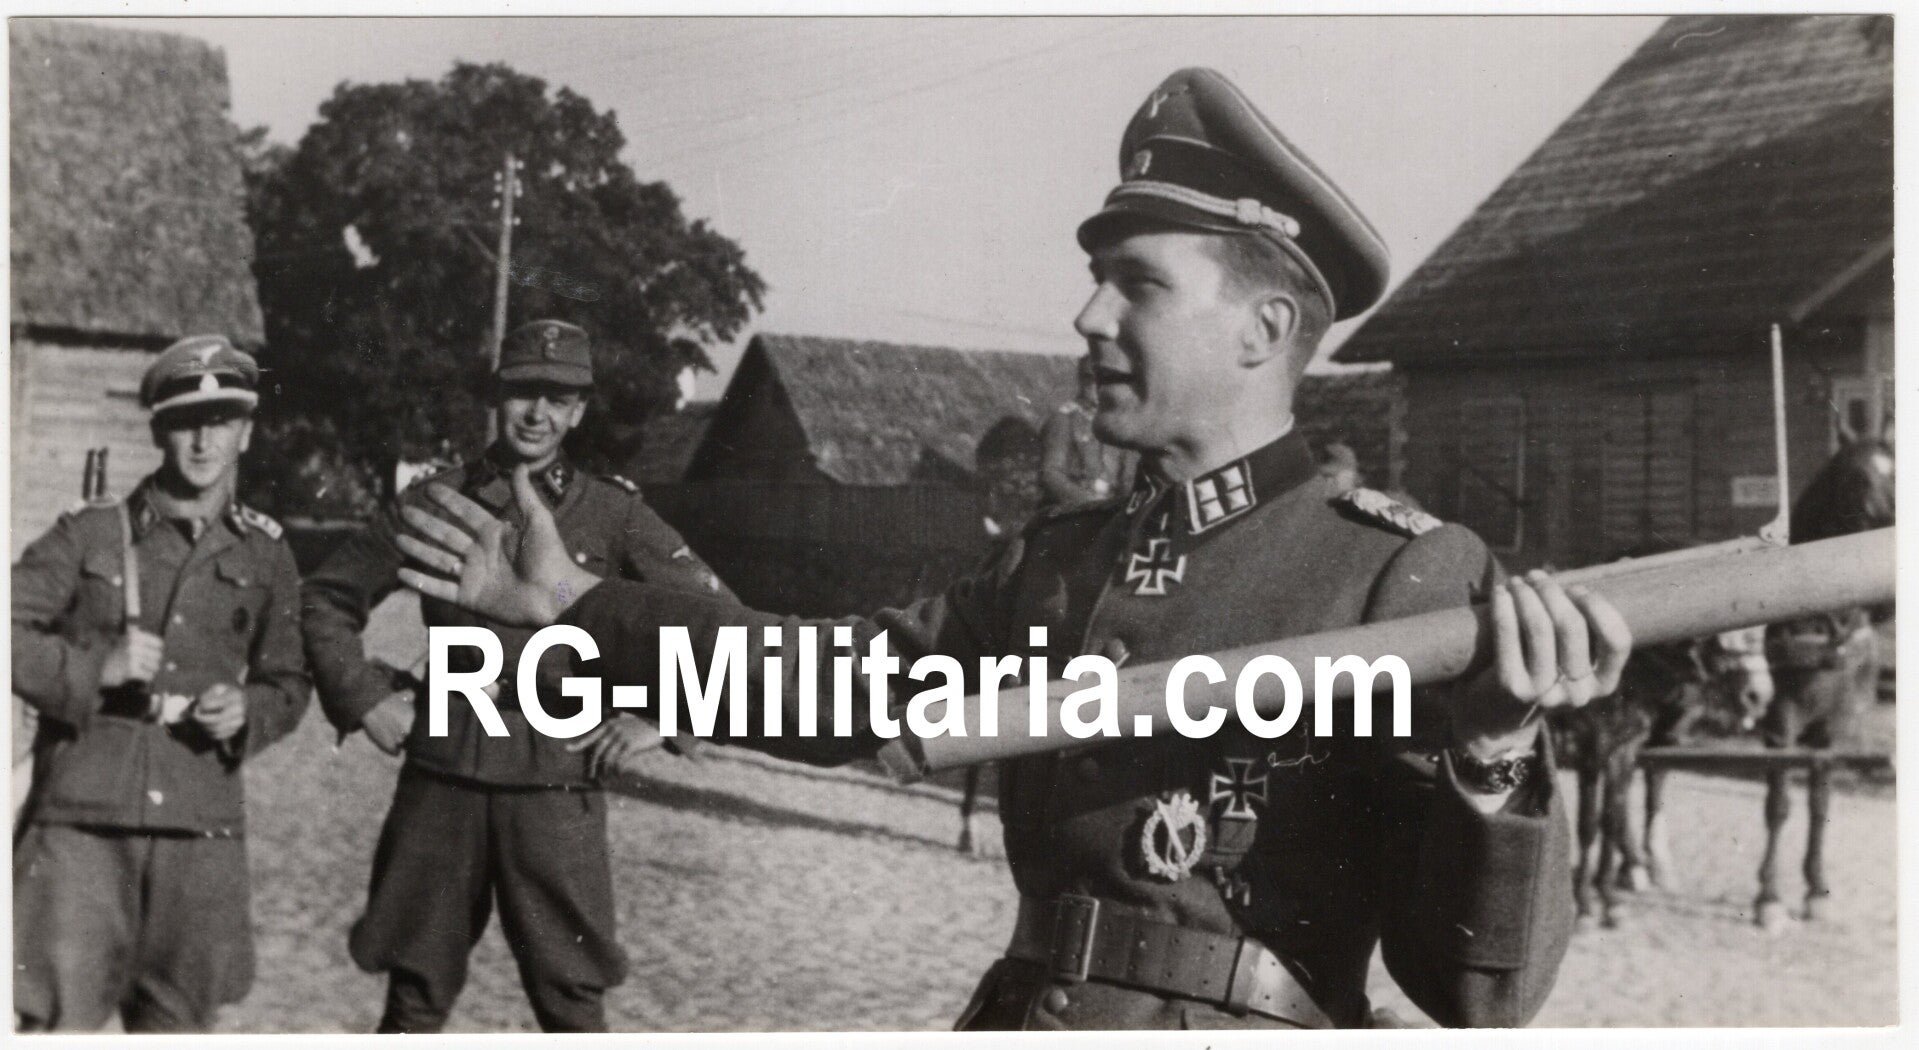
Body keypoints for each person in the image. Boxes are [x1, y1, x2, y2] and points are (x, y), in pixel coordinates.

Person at [395, 69, 1632, 1030]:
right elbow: (830, 685)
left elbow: (1479, 994)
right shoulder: (1056, 562)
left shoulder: (1396, 578)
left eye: (1135, 284)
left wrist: (1491, 753)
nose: (1086, 314)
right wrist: (575, 606)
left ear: (1261, 329)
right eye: (1095, 279)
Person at [300, 320, 731, 1033]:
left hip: (555, 786)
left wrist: (664, 720)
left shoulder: (612, 514)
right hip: (443, 782)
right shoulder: (437, 502)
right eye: (523, 392)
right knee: (413, 997)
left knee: (572, 1003)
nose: (537, 414)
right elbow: (325, 597)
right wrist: (364, 698)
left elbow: (721, 623)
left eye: (558, 399)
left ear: (579, 412)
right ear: (496, 395)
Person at [12, 335, 311, 1032]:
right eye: (185, 423)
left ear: (246, 433)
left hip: (198, 828)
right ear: (157, 432)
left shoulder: (266, 553)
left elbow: (289, 680)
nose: (203, 442)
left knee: (179, 1026)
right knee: (57, 1023)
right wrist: (95, 668)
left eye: (221, 421)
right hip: (84, 820)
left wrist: (247, 710)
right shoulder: (90, 535)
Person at [1039, 356, 1137, 507]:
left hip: (1114, 506)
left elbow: (1128, 477)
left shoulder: (1120, 422)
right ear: (1081, 380)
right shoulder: (1065, 419)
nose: (1095, 386)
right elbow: (1051, 474)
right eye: (1089, 379)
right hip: (1075, 506)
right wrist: (1089, 503)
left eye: (1105, 380)